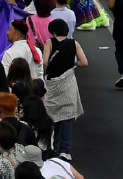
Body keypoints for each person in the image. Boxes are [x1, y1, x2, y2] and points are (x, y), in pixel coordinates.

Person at [42, 18, 88, 161]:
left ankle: (53, 147)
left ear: (53, 31)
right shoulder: (74, 43)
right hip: (68, 82)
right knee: (67, 116)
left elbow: (44, 62)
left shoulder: (49, 42)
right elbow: (85, 62)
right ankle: (65, 150)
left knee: (52, 115)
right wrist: (72, 62)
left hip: (53, 84)